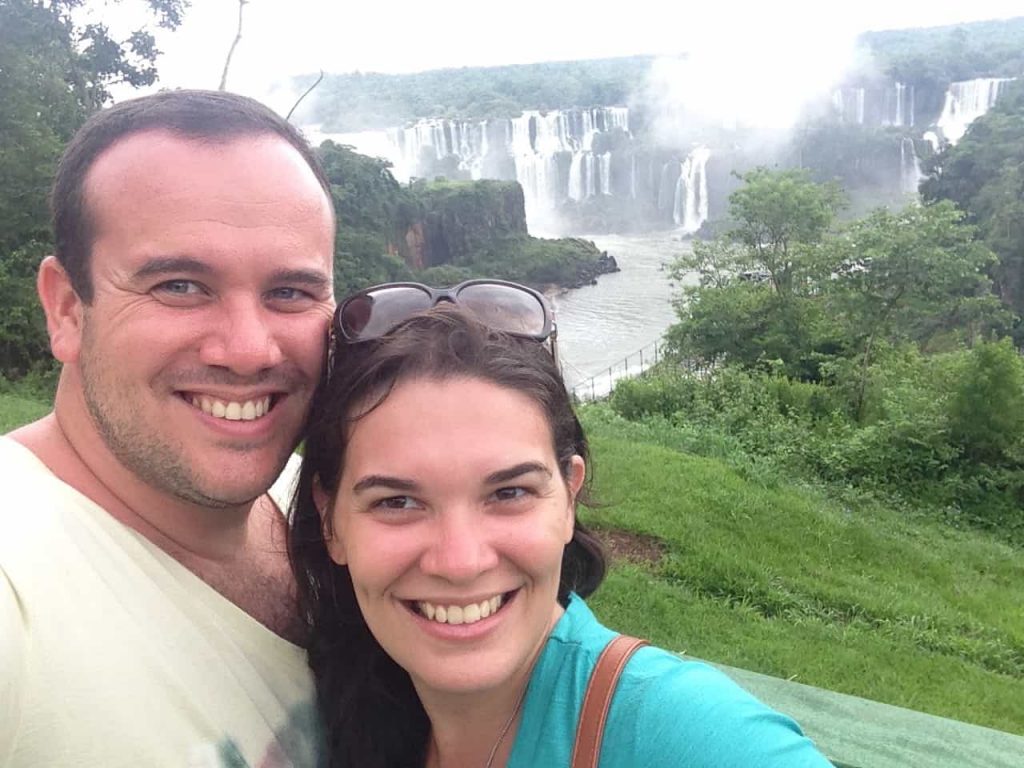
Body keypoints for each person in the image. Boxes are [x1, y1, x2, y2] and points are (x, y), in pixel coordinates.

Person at [289, 284, 834, 768]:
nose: (460, 562)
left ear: (569, 497)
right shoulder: (351, 709)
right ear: (330, 520)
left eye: (509, 493)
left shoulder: (690, 735)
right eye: (398, 502)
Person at [0, 90, 336, 768]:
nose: (249, 350)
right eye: (180, 286)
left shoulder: (325, 507)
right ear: (66, 308)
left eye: (291, 292)